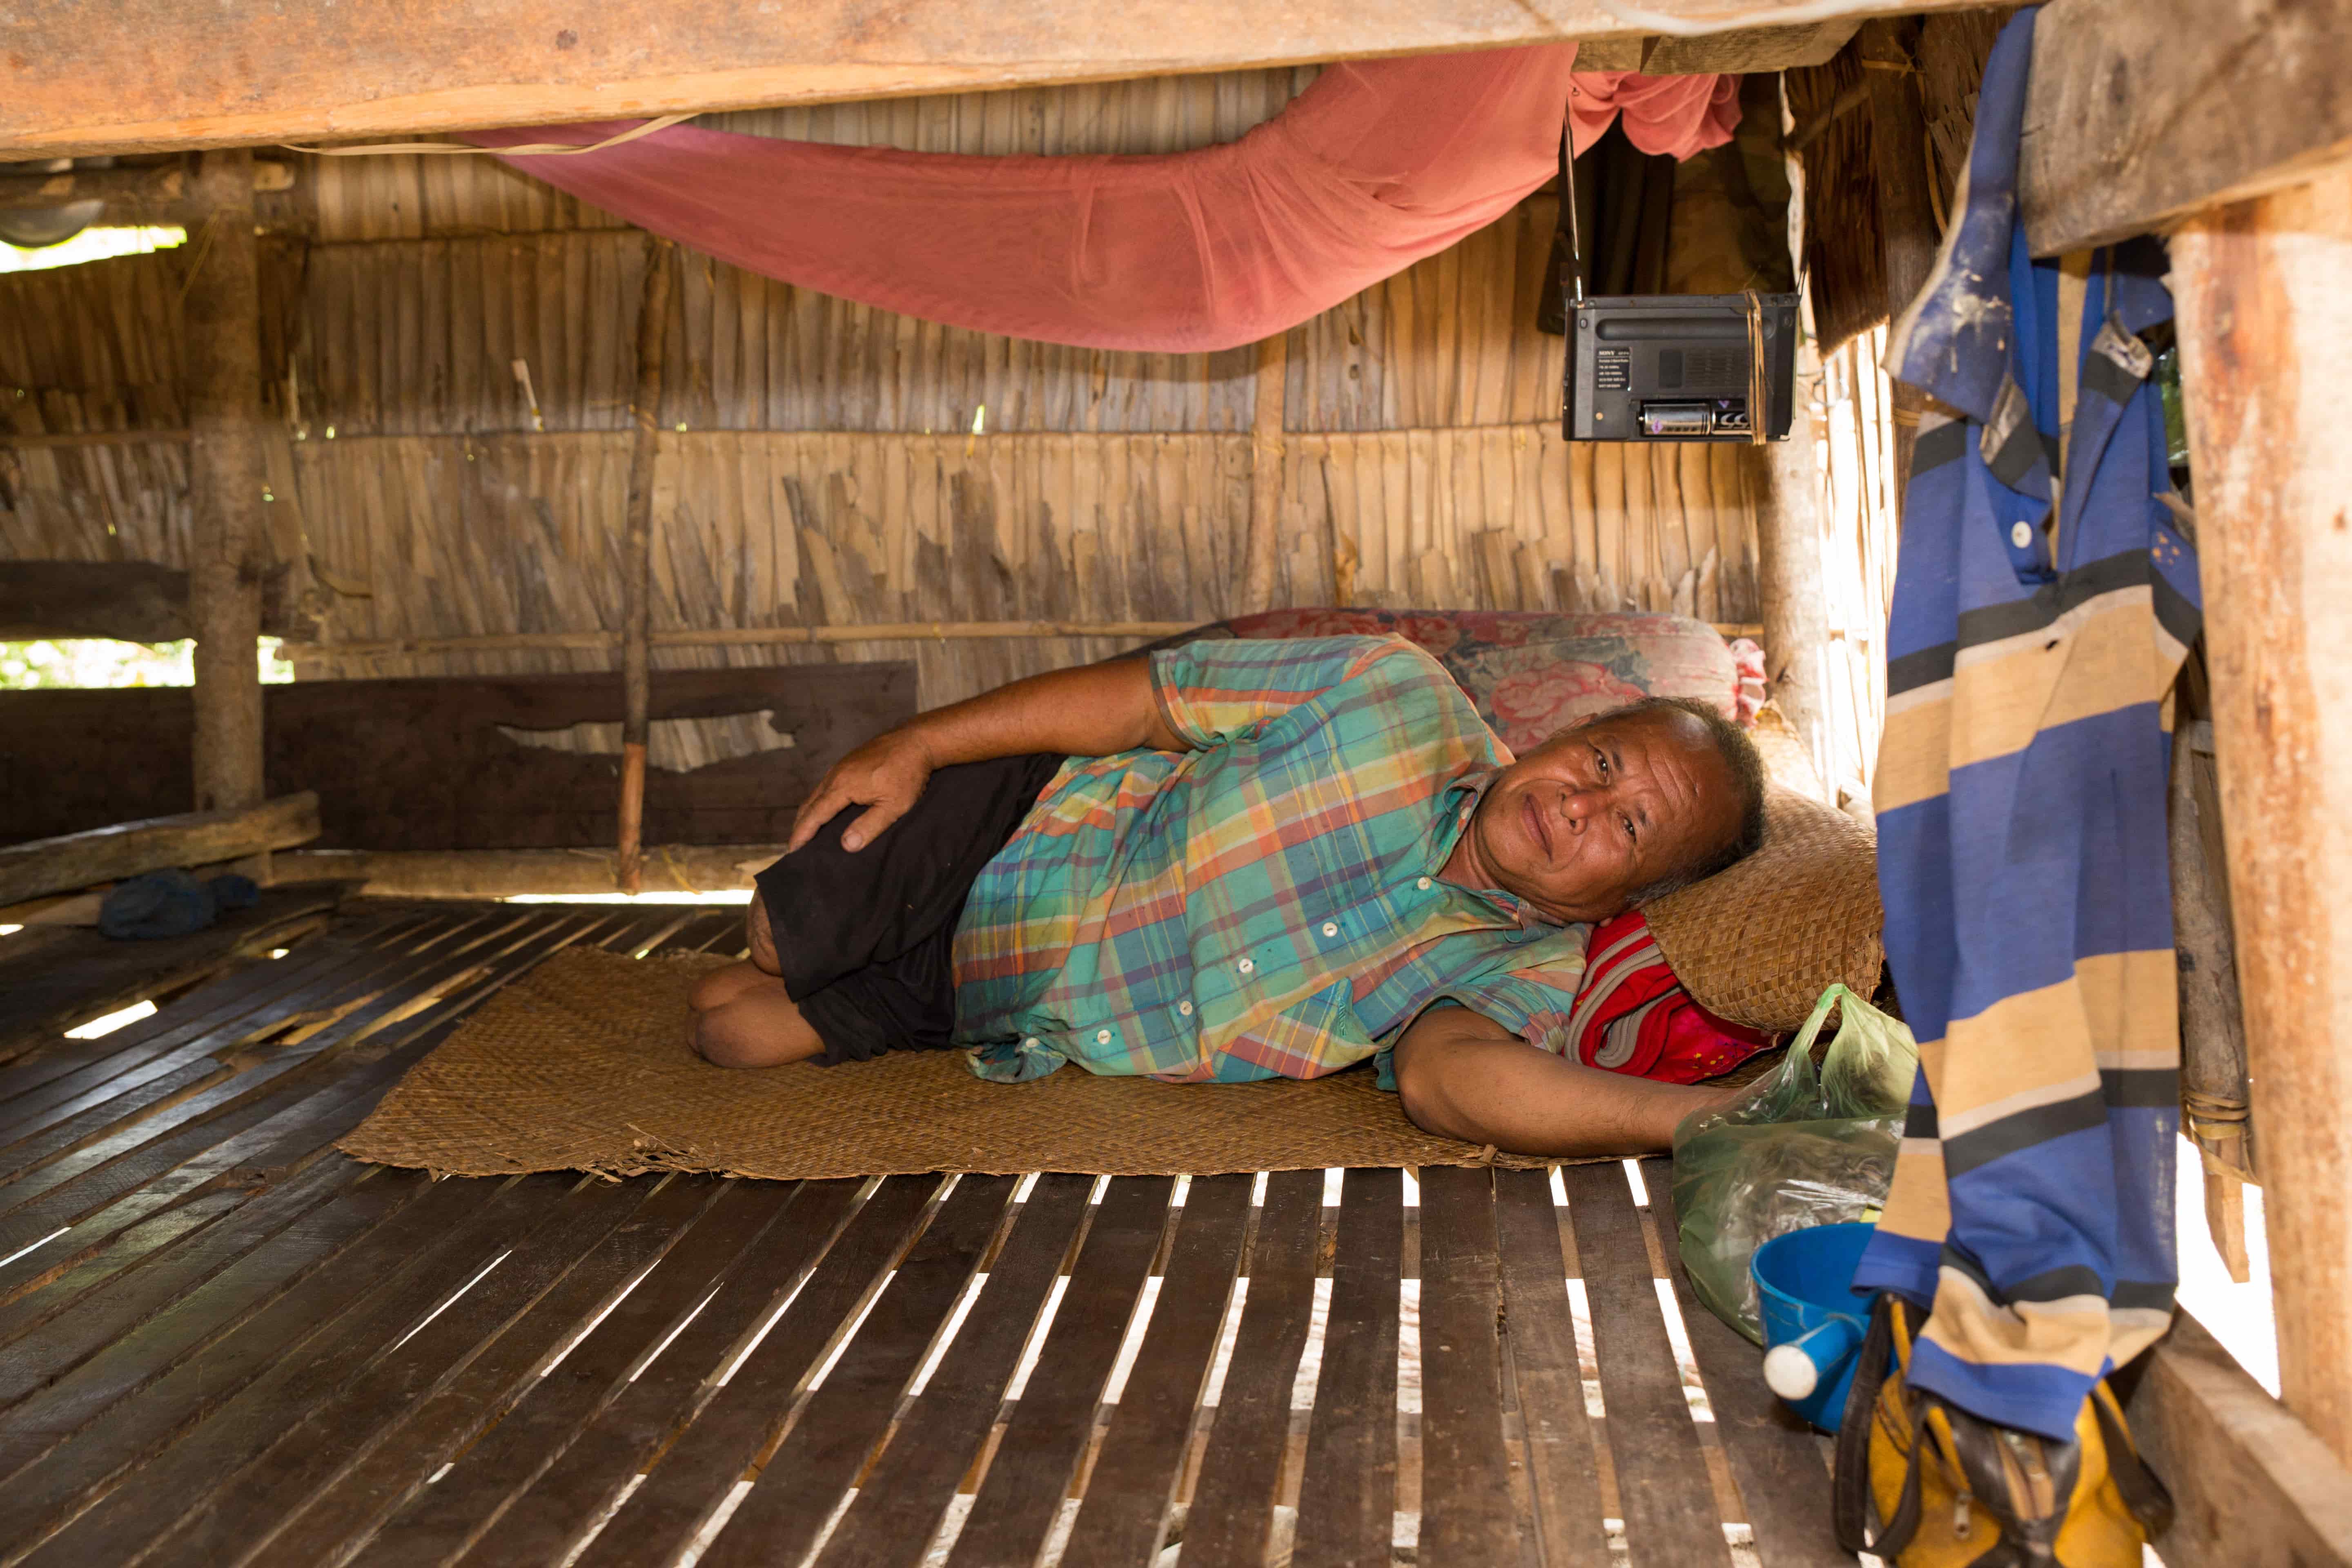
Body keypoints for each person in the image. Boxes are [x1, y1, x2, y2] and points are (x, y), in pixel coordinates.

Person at [687, 635, 1766, 1157]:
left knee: (730, 1031)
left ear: (1636, 894)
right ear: (1561, 736)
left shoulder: (1523, 969)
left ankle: (870, 963)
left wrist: (1704, 1120)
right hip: (1022, 827)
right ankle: (823, 923)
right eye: (1603, 760)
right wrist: (914, 744)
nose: (1580, 801)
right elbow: (1143, 700)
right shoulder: (1389, 693)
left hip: (1008, 997)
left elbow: (1450, 1088)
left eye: (1627, 826)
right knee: (778, 939)